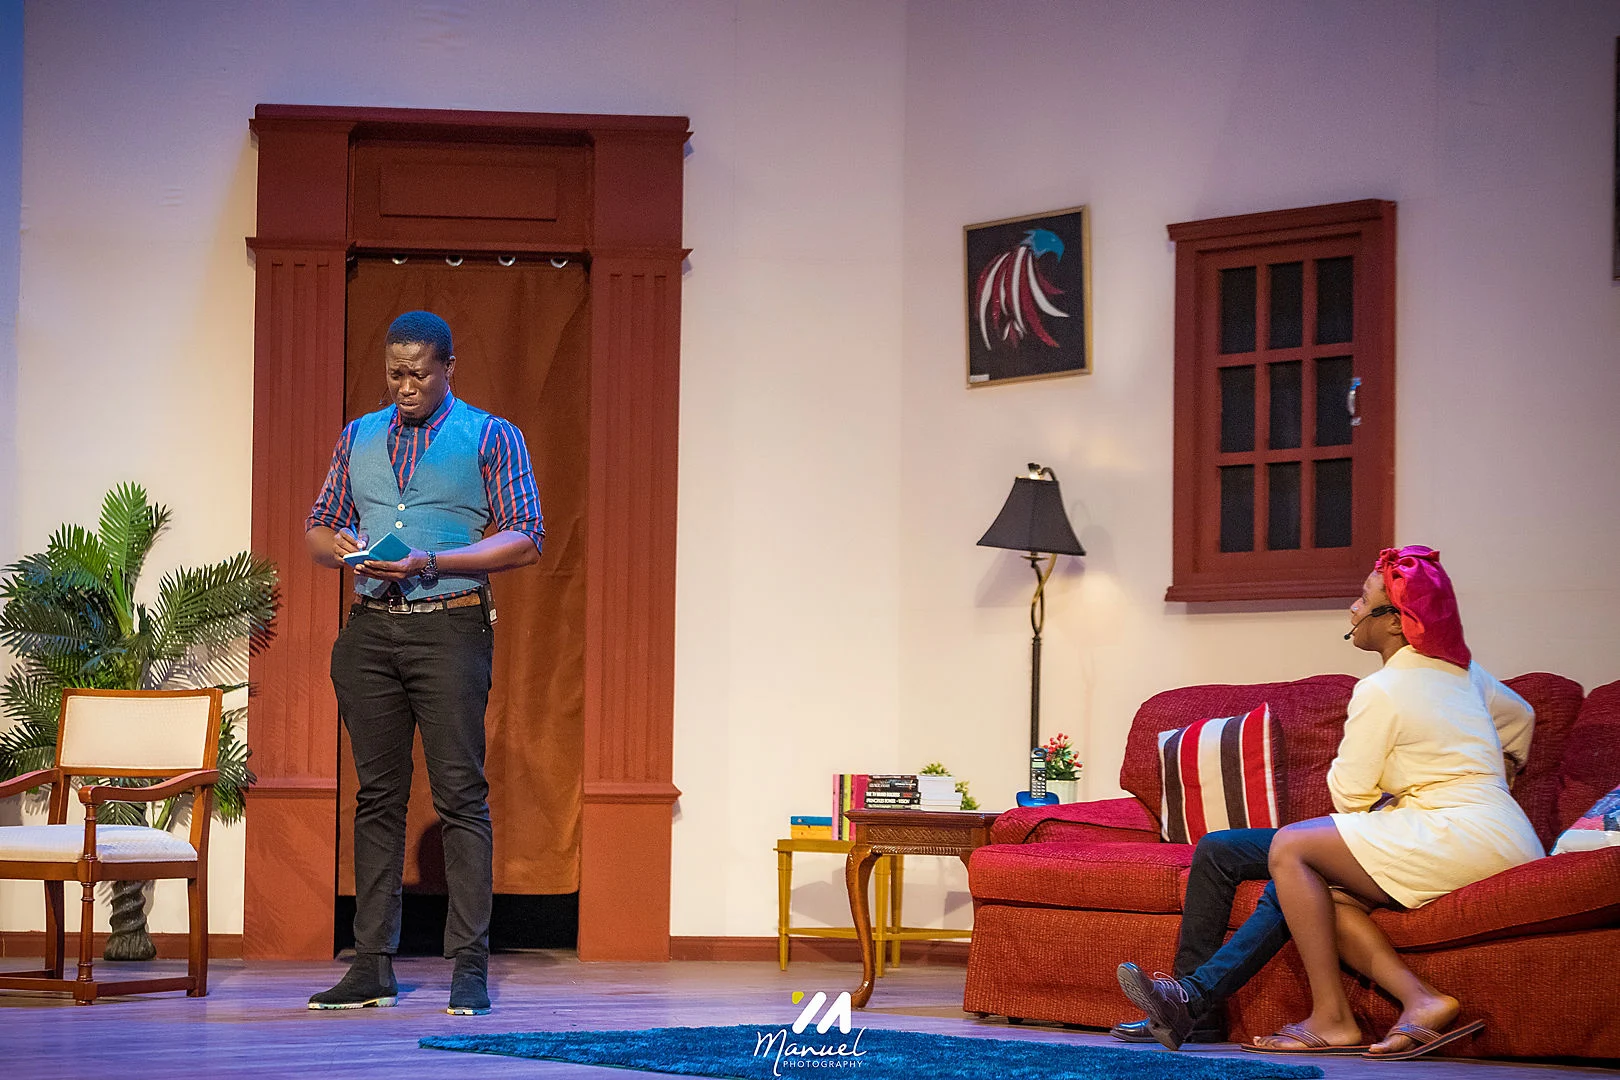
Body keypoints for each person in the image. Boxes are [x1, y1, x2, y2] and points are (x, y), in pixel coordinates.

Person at [1119, 546, 1537, 1058]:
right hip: (1497, 834)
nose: (1353, 609)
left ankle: (1329, 1018)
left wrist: (1438, 785)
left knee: (1294, 849)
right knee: (1226, 851)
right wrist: (1499, 773)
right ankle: (1195, 1009)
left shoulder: (1383, 689)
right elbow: (1520, 717)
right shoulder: (1463, 672)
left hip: (1451, 833)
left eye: (1363, 600)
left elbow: (1350, 796)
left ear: (1397, 621)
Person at [304, 311, 543, 1015]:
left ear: (448, 368)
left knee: (460, 796)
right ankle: (371, 965)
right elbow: (318, 525)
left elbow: (526, 537)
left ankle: (468, 965)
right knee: (377, 798)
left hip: (450, 627)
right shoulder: (358, 436)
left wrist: (429, 561)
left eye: (418, 373)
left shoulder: (492, 435)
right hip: (370, 631)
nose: (405, 386)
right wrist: (340, 546)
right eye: (394, 374)